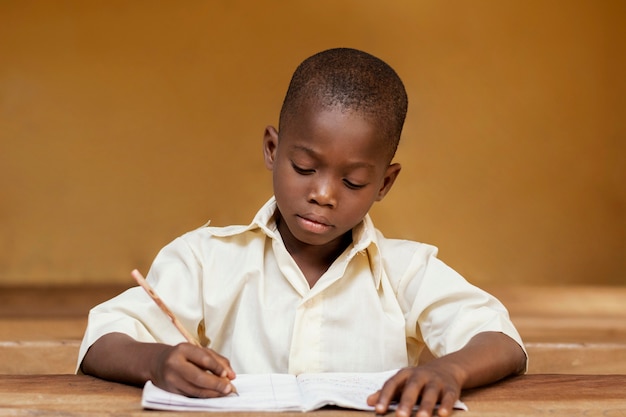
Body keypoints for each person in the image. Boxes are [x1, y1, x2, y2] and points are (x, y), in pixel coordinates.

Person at [78, 47, 527, 417]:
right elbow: (103, 340)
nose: (325, 194)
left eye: (353, 182)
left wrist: (451, 372)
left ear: (384, 184)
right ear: (273, 149)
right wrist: (157, 361)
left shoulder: (407, 272)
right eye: (305, 167)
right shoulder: (204, 259)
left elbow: (501, 340)